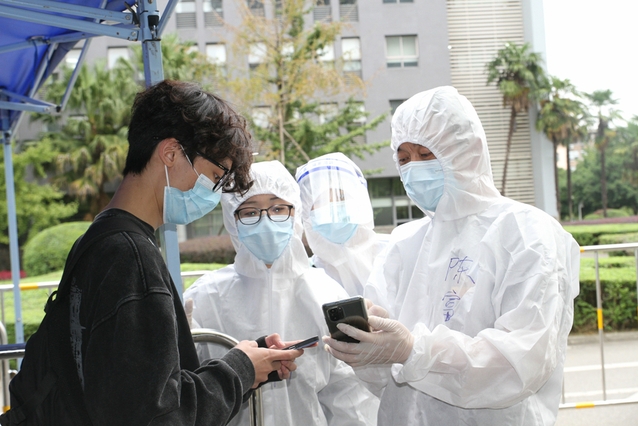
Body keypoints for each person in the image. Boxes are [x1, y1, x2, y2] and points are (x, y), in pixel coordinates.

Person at [8, 80, 303, 425]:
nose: (214, 192)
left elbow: (132, 387)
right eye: (214, 175)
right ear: (171, 153)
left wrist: (243, 364)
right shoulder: (131, 258)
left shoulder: (99, 238)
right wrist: (239, 370)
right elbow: (158, 415)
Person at [323, 86, 580, 425]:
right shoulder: (404, 242)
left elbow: (524, 359)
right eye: (404, 159)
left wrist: (415, 351)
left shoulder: (525, 231)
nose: (413, 168)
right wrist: (369, 348)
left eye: (425, 154)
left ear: (467, 152)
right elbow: (384, 379)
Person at [184, 160, 379, 426]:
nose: (265, 220)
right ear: (232, 219)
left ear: (295, 213)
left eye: (278, 209)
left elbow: (347, 392)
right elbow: (189, 388)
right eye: (250, 212)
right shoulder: (206, 296)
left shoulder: (325, 292)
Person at [295, 152, 389, 296]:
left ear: (360, 200)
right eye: (321, 201)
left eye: (341, 197)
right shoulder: (307, 275)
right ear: (307, 213)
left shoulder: (393, 252)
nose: (333, 207)